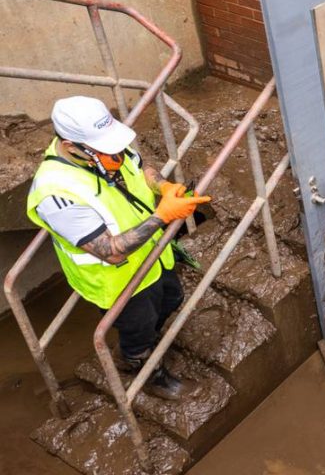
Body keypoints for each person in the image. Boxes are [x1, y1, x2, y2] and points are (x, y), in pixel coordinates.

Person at [26, 96, 210, 400]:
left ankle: (147, 343)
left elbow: (141, 167)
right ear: (71, 146)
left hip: (153, 257)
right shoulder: (55, 194)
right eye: (107, 149)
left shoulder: (104, 149)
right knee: (138, 326)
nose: (118, 155)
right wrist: (163, 215)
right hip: (118, 281)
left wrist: (163, 186)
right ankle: (147, 371)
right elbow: (110, 251)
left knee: (171, 298)